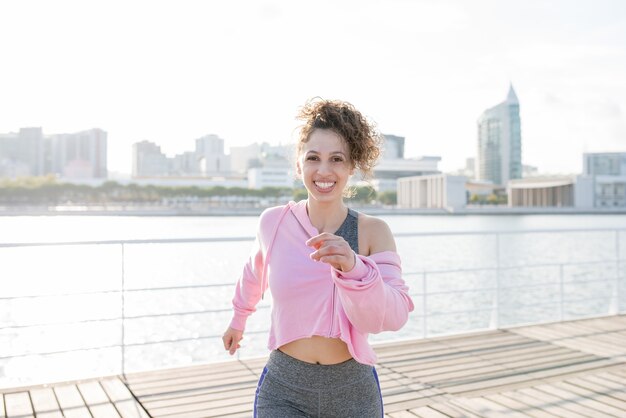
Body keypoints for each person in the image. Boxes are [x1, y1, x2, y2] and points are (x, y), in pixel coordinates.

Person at [222, 98, 414, 417]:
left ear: (352, 166)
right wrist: (238, 320)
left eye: (336, 159)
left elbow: (395, 316)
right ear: (299, 165)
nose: (324, 170)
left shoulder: (373, 232)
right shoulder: (274, 222)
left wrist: (354, 268)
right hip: (284, 388)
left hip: (352, 391)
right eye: (313, 158)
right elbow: (254, 274)